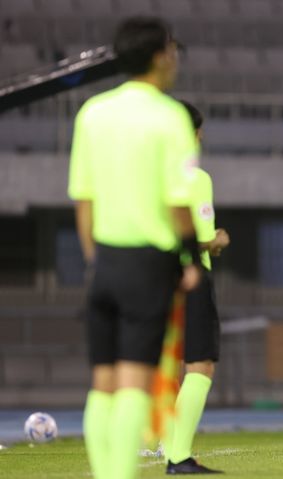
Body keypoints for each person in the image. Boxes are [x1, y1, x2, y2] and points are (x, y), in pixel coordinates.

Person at [67, 17, 202, 479]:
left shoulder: (92, 113)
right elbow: (178, 201)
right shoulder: (170, 117)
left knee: (101, 384)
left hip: (104, 258)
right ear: (161, 55)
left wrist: (94, 259)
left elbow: (83, 199)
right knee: (134, 382)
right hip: (149, 263)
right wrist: (188, 259)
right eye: (172, 48)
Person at [160, 101, 230, 474]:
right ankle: (177, 454)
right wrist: (215, 241)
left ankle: (163, 445)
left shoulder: (147, 173)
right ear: (195, 133)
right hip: (189, 277)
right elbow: (197, 238)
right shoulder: (195, 178)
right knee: (199, 366)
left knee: (156, 366)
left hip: (147, 277)